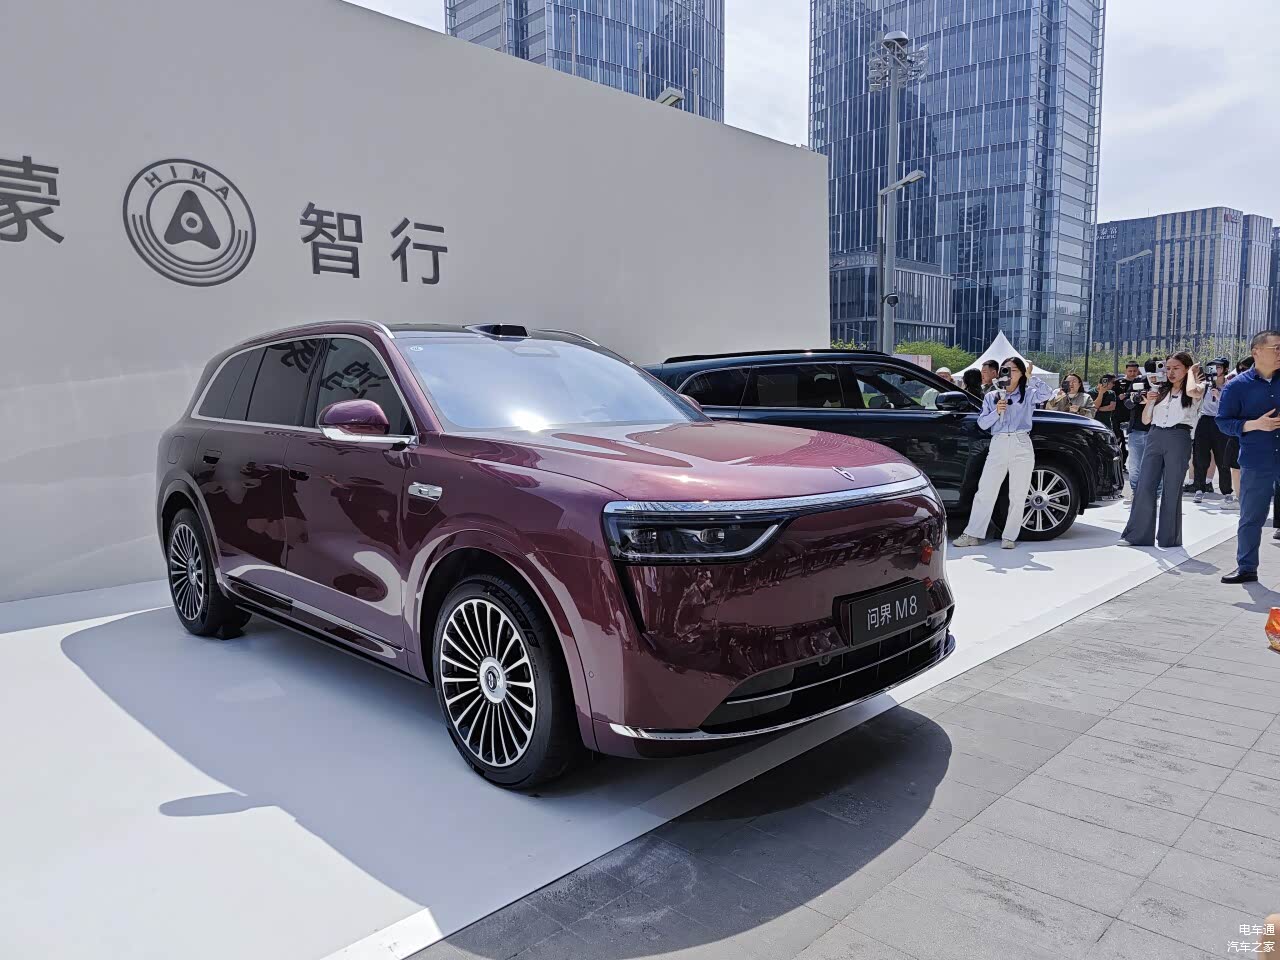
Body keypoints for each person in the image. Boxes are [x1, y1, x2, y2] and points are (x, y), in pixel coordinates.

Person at [953, 357, 1053, 550]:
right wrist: (996, 412)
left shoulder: (1028, 393)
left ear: (1021, 373)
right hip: (998, 442)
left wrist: (1031, 377)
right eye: (1006, 369)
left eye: (1014, 370)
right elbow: (982, 424)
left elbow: (1047, 393)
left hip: (1021, 442)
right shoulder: (992, 395)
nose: (1009, 373)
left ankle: (1009, 536)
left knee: (1018, 493)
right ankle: (973, 534)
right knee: (985, 490)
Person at [1120, 352, 1204, 548]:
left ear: (1187, 369)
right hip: (1155, 435)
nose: (1171, 372)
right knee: (1145, 484)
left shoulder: (1198, 387)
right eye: (1168, 368)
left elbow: (1192, 392)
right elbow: (1145, 420)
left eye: (1176, 368)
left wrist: (1192, 373)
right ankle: (1137, 536)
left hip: (1179, 436)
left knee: (1172, 488)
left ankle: (1169, 538)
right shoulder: (1161, 390)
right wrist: (1150, 400)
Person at [1216, 330, 1280, 584]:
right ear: (1256, 352)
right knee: (1251, 517)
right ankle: (1246, 568)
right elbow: (1223, 422)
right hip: (1256, 460)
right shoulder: (1236, 386)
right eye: (1276, 348)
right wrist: (1254, 425)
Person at [1191, 359, 1234, 503]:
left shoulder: (1230, 386)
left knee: (1223, 458)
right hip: (1205, 420)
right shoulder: (1205, 385)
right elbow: (1194, 394)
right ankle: (1199, 489)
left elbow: (1232, 406)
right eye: (1212, 367)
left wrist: (1219, 396)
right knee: (1200, 457)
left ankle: (1226, 491)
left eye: (1218, 367)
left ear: (1225, 369)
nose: (1215, 370)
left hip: (1221, 421)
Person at [1120, 360, 1153, 501]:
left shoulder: (1167, 384)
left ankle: (1154, 493)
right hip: (1137, 428)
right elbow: (1127, 403)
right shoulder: (1139, 382)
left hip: (1157, 429)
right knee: (1134, 466)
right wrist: (1136, 400)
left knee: (1156, 465)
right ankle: (1135, 491)